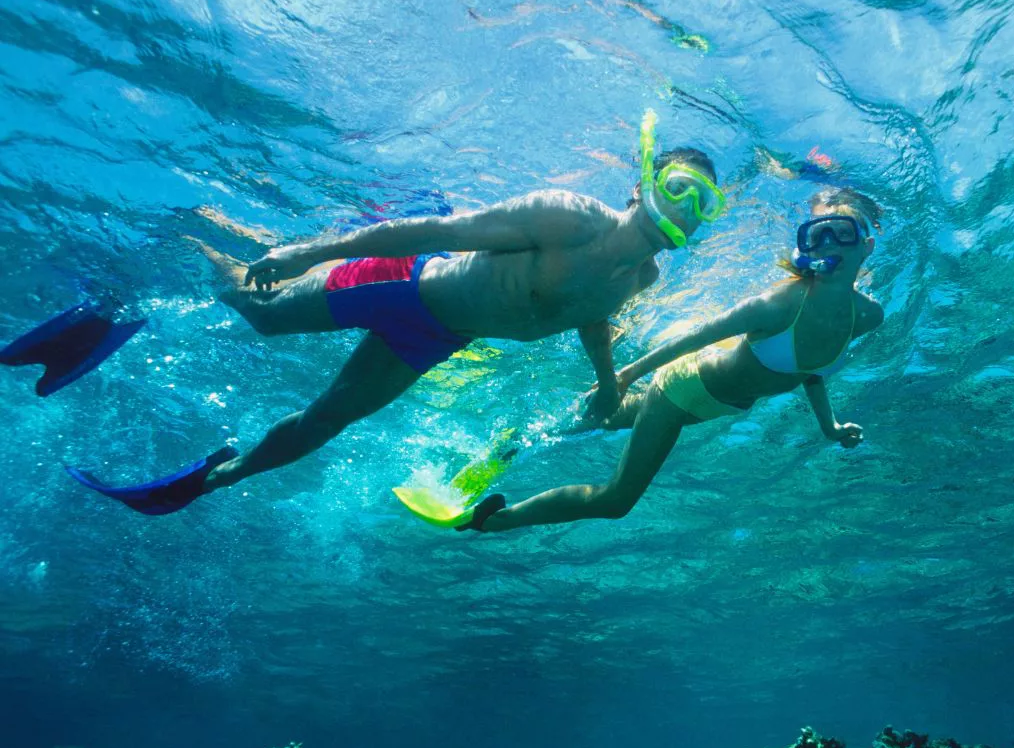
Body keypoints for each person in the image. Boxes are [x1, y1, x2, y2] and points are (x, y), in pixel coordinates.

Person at [66, 111, 726, 520]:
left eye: (703, 205)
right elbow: (429, 229)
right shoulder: (568, 216)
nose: (685, 210)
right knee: (259, 313)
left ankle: (216, 477)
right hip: (403, 284)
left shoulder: (642, 277)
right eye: (678, 189)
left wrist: (609, 382)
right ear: (643, 181)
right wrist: (308, 251)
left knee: (328, 421)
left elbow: (590, 318)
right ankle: (194, 237)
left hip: (437, 336)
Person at [471, 187, 884, 533]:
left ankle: (517, 441)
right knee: (616, 501)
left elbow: (810, 371)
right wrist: (626, 374)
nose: (828, 243)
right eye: (818, 235)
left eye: (841, 233)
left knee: (591, 423)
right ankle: (493, 522)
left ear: (866, 246)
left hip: (713, 405)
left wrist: (828, 426)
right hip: (681, 391)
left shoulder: (866, 316)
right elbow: (698, 336)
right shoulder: (778, 304)